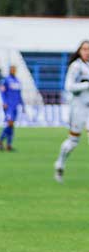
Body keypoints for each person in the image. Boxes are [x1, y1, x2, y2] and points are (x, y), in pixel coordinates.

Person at [54, 40, 89, 183]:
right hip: (78, 108)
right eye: (85, 49)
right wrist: (86, 85)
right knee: (73, 141)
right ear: (79, 51)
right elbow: (68, 86)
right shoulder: (76, 67)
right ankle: (59, 164)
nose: (87, 52)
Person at [0, 65, 24, 151]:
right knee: (10, 123)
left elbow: (19, 94)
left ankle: (8, 145)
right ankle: (0, 141)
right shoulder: (6, 80)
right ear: (10, 70)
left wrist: (22, 104)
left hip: (15, 105)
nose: (14, 71)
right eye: (12, 69)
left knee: (12, 125)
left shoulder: (18, 81)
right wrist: (4, 102)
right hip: (9, 105)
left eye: (15, 69)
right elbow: (2, 92)